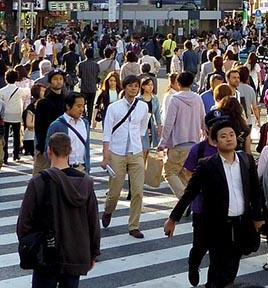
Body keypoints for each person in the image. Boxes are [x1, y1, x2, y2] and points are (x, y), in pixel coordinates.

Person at [165, 119, 265, 288]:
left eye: (231, 135)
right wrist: (173, 219)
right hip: (218, 226)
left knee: (232, 268)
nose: (229, 139)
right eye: (223, 136)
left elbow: (255, 192)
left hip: (240, 224)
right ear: (215, 141)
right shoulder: (207, 165)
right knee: (218, 270)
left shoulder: (246, 160)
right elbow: (190, 193)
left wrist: (258, 217)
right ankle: (200, 271)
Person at [16, 132, 101, 288]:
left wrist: (30, 244)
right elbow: (93, 222)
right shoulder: (85, 183)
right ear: (70, 151)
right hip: (75, 253)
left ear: (49, 151)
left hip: (47, 254)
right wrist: (94, 252)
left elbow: (24, 222)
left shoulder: (39, 181)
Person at [100, 74, 150, 239]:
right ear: (124, 87)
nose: (133, 89)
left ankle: (134, 226)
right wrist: (105, 155)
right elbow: (107, 133)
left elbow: (142, 129)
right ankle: (108, 210)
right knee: (115, 191)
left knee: (138, 191)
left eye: (136, 86)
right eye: (130, 86)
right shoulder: (114, 107)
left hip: (135, 152)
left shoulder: (143, 106)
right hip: (117, 152)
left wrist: (143, 151)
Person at [180, 114, 220, 286]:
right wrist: (198, 186)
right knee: (200, 245)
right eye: (213, 125)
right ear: (206, 128)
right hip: (201, 207)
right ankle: (194, 263)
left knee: (218, 251)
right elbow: (187, 171)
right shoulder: (199, 149)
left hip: (222, 208)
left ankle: (213, 282)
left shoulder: (227, 147)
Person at [158, 70, 206, 199]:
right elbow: (203, 120)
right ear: (191, 83)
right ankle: (192, 199)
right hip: (194, 142)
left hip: (178, 143)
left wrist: (162, 143)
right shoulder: (197, 98)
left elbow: (169, 123)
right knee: (186, 174)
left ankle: (185, 200)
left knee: (169, 172)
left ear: (178, 83)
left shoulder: (175, 99)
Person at [46, 92, 91, 174]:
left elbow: (86, 147)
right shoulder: (57, 125)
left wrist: (87, 166)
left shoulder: (85, 123)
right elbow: (49, 150)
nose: (81, 109)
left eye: (83, 106)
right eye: (78, 106)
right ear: (68, 106)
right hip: (63, 170)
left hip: (82, 168)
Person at [33, 70, 68, 174]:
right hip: (45, 145)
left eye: (61, 79)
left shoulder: (67, 100)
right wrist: (41, 146)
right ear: (50, 81)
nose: (58, 81)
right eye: (55, 79)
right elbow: (38, 126)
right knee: (40, 177)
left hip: (63, 145)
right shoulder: (43, 102)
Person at [0, 68, 29, 163]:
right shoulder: (20, 90)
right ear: (16, 78)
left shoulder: (2, 91)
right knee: (17, 136)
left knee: (5, 136)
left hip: (5, 115)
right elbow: (28, 91)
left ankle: (4, 157)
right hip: (17, 115)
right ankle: (16, 155)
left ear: (6, 78)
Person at [77, 48, 100, 122]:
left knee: (82, 104)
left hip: (84, 87)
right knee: (90, 106)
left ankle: (83, 117)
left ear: (85, 54)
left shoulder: (81, 64)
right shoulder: (96, 65)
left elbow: (79, 75)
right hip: (92, 87)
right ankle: (89, 121)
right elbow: (97, 75)